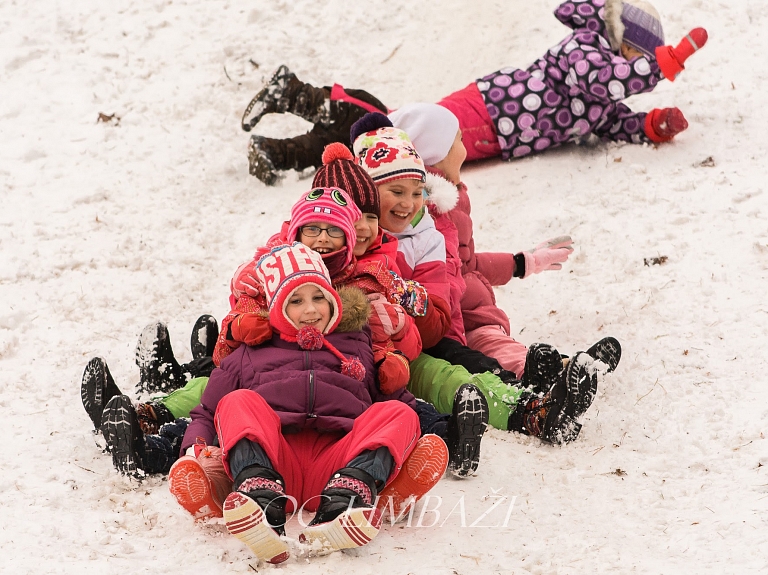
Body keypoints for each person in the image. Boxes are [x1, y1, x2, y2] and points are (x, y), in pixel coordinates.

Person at [350, 113, 618, 444]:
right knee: (458, 368)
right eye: (458, 140)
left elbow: (461, 272)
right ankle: (532, 394)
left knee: (474, 359)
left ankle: (541, 390)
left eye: (416, 192)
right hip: (409, 343)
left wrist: (523, 263)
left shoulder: (430, 228)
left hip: (440, 328)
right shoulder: (348, 236)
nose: (408, 203)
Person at [241, 0, 708, 184]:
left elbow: (609, 118)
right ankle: (294, 91)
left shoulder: (603, 89)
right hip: (486, 107)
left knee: (381, 149)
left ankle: (279, 153)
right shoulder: (583, 47)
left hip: (494, 136)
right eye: (634, 56)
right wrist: (664, 65)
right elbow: (608, 80)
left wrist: (649, 124)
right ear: (620, 41)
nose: (633, 67)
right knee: (388, 128)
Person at [179, 243, 423, 563]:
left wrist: (406, 402)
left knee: (399, 412)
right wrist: (195, 449)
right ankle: (261, 503)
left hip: (337, 466)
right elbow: (208, 411)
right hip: (276, 462)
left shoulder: (357, 346)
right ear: (277, 307)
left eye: (318, 297)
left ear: (332, 300)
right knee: (238, 401)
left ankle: (344, 503)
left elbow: (396, 405)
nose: (310, 310)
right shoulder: (251, 352)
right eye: (296, 301)